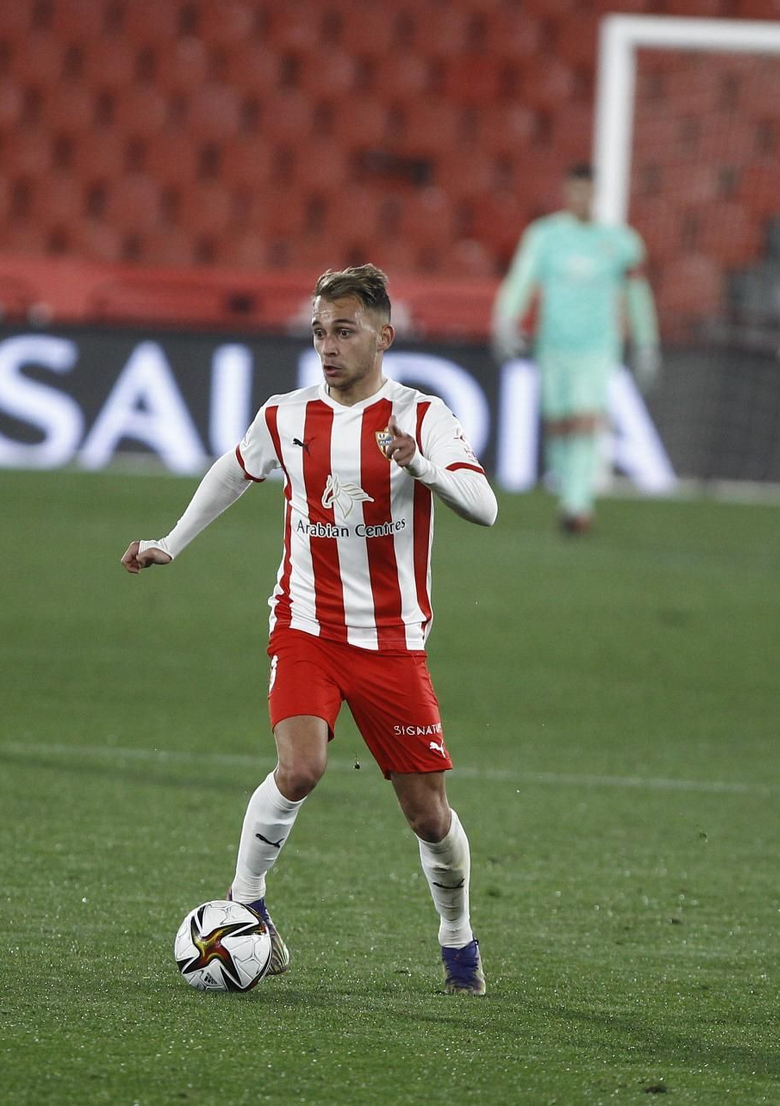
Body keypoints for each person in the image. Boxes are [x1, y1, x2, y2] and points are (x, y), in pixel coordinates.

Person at [122, 265, 498, 994]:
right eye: (320, 332)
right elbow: (233, 472)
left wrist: (420, 466)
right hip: (306, 626)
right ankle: (248, 907)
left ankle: (457, 937)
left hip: (392, 641)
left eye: (345, 331)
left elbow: (484, 507)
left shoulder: (422, 416)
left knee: (428, 817)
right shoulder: (285, 416)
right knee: (300, 769)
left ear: (384, 337)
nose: (328, 346)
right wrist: (171, 541)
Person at [491, 162, 660, 534]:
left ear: (595, 193)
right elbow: (522, 279)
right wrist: (506, 319)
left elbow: (637, 295)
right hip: (553, 345)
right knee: (559, 424)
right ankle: (570, 492)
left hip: (598, 347)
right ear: (566, 192)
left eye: (587, 190)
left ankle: (577, 505)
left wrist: (647, 341)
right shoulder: (545, 236)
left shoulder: (621, 242)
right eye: (575, 190)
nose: (581, 197)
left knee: (585, 419)